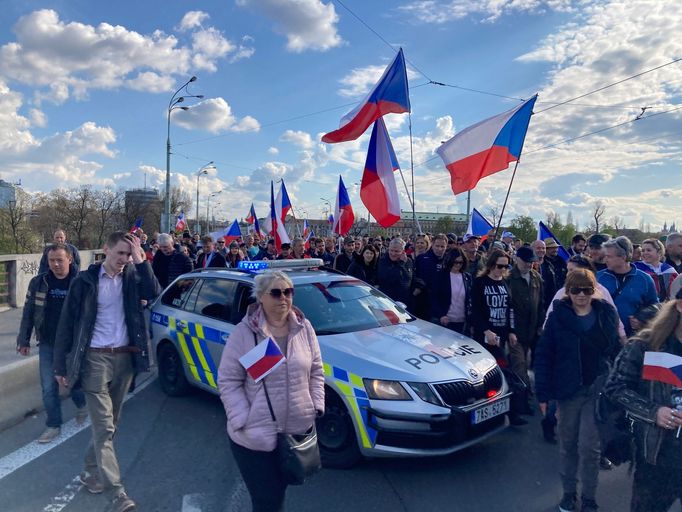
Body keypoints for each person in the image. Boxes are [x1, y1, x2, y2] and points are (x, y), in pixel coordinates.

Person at [53, 232, 161, 512]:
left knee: (112, 422)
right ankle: (117, 494)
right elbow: (66, 323)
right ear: (106, 250)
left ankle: (90, 469)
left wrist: (142, 259)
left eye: (128, 255)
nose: (124, 260)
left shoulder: (132, 278)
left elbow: (154, 292)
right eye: (120, 254)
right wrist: (59, 365)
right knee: (105, 425)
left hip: (125, 357)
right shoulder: (85, 281)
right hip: (95, 359)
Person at [217, 271, 325, 512]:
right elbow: (228, 381)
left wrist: (315, 405)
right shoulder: (245, 333)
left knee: (279, 496)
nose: (283, 298)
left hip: (295, 431)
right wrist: (243, 418)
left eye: (288, 292)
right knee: (267, 501)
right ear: (261, 297)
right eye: (276, 293)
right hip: (255, 437)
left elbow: (317, 370)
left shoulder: (304, 328)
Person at [535, 269, 620, 512]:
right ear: (567, 291)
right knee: (568, 444)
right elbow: (543, 355)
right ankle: (569, 494)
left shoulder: (606, 313)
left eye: (586, 290)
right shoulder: (557, 317)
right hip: (568, 390)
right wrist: (543, 393)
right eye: (575, 290)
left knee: (589, 448)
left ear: (594, 291)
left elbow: (613, 351)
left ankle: (590, 497)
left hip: (597, 389)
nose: (581, 295)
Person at [604, 289, 682, 512]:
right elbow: (615, 387)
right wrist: (653, 411)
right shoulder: (645, 345)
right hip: (657, 456)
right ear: (679, 306)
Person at [17, 243, 86, 443]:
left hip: (73, 343)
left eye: (59, 260)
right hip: (47, 342)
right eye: (51, 260)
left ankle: (82, 405)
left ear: (70, 259)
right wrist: (24, 339)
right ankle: (53, 425)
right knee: (48, 386)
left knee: (74, 381)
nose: (55, 264)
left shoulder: (80, 282)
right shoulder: (39, 282)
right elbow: (28, 312)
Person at [471, 249, 525, 426]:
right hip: (485, 336)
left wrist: (511, 331)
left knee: (503, 373)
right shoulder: (480, 283)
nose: (501, 269)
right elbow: (475, 311)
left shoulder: (504, 283)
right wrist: (486, 330)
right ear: (491, 265)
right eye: (498, 266)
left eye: (505, 266)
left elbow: (510, 309)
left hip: (501, 334)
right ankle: (500, 412)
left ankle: (509, 410)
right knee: (495, 372)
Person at [597, 236, 658, 337]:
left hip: (632, 339)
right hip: (602, 337)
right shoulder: (598, 278)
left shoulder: (644, 279)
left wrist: (641, 318)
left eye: (609, 256)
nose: (605, 260)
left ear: (623, 257)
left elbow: (655, 306)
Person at [507, 246, 544, 396]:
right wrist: (509, 330)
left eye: (531, 262)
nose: (529, 265)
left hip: (533, 329)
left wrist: (541, 324)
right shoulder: (508, 278)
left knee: (531, 364)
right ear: (517, 259)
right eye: (526, 262)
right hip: (516, 330)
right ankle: (523, 396)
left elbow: (541, 302)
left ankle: (524, 392)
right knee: (519, 364)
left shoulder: (536, 277)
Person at [431, 248, 472, 334]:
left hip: (462, 322)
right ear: (450, 261)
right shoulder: (441, 276)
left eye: (460, 262)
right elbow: (433, 298)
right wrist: (441, 315)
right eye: (455, 262)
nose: (458, 265)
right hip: (445, 321)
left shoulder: (467, 277)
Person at [377, 238, 413, 307]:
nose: (393, 254)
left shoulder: (408, 261)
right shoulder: (383, 260)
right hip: (387, 301)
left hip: (403, 302)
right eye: (391, 250)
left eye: (396, 251)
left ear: (403, 251)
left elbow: (408, 279)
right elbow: (389, 278)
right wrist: (401, 264)